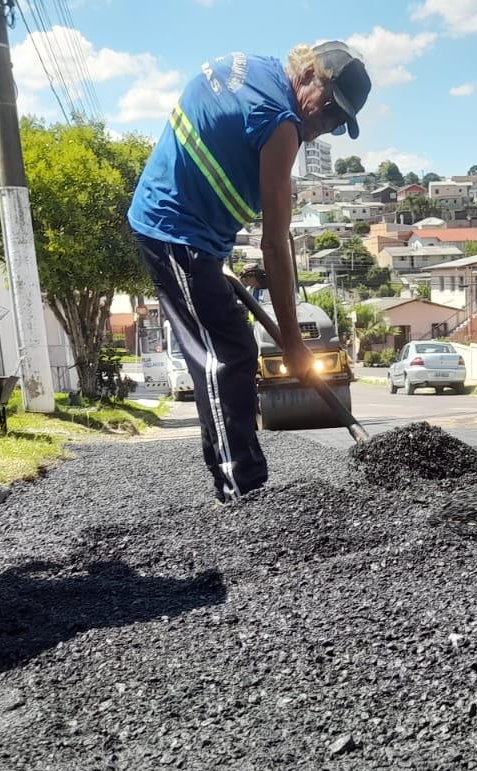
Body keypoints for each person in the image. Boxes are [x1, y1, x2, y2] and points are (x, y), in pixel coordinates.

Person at [127, 41, 371, 504]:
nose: (330, 125)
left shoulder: (257, 69)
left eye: (342, 122)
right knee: (226, 354)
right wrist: (295, 347)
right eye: (331, 109)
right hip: (175, 229)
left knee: (229, 347)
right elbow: (276, 244)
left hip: (190, 232)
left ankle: (241, 480)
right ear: (309, 77)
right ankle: (240, 487)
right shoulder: (281, 125)